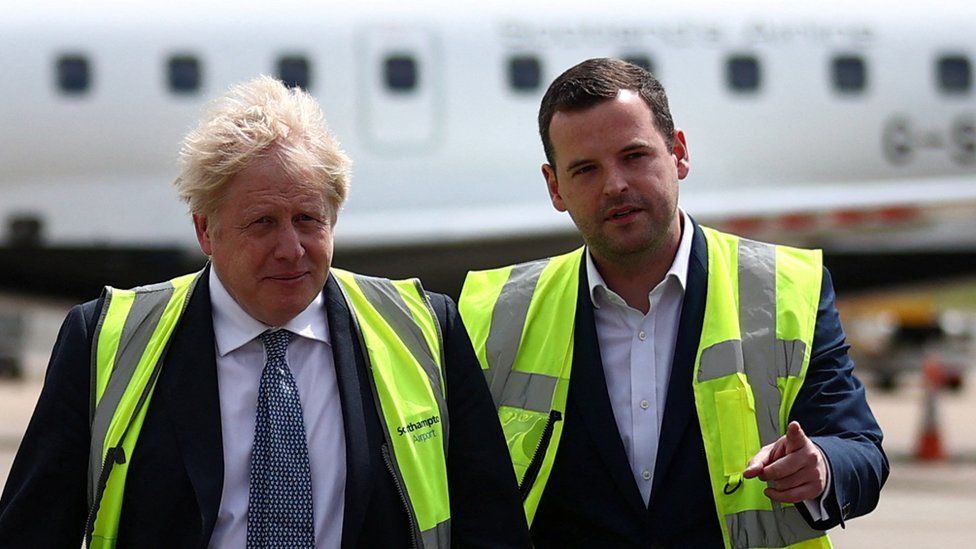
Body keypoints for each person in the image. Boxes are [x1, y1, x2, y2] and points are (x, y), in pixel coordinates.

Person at [0, 76, 530, 548]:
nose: (291, 248)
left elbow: (492, 527)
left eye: (308, 219)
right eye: (262, 223)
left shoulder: (426, 329)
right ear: (206, 230)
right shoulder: (101, 339)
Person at [458, 58, 888, 548]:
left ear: (679, 153)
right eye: (585, 169)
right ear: (555, 187)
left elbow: (860, 450)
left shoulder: (787, 287)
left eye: (634, 156)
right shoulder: (492, 312)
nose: (615, 184)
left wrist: (822, 467)